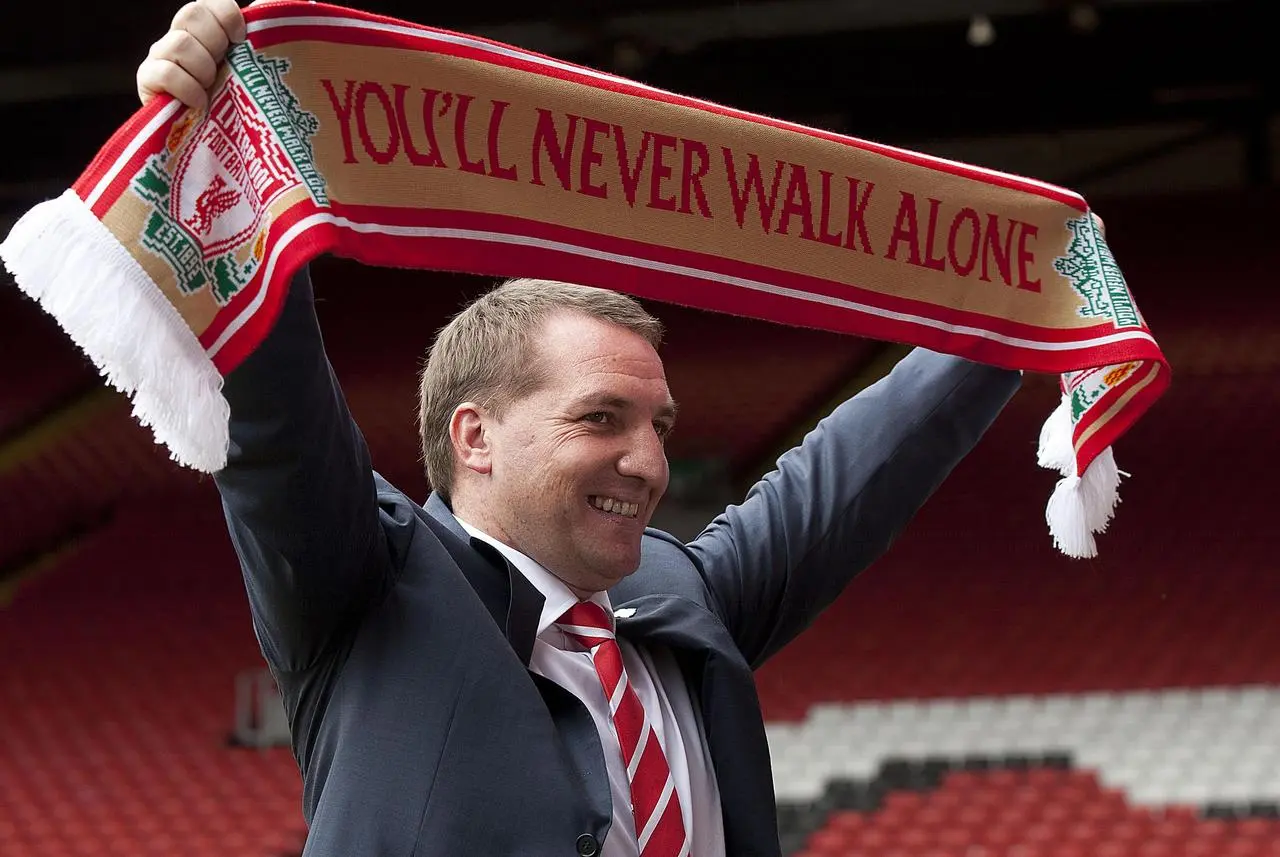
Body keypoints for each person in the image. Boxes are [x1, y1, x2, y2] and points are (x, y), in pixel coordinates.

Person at [136, 3, 1023, 855]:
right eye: (602, 418)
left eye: (659, 424)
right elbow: (280, 417)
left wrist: (1021, 310)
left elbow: (853, 476)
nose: (647, 462)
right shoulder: (373, 583)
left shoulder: (682, 592)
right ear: (474, 437)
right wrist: (223, 156)